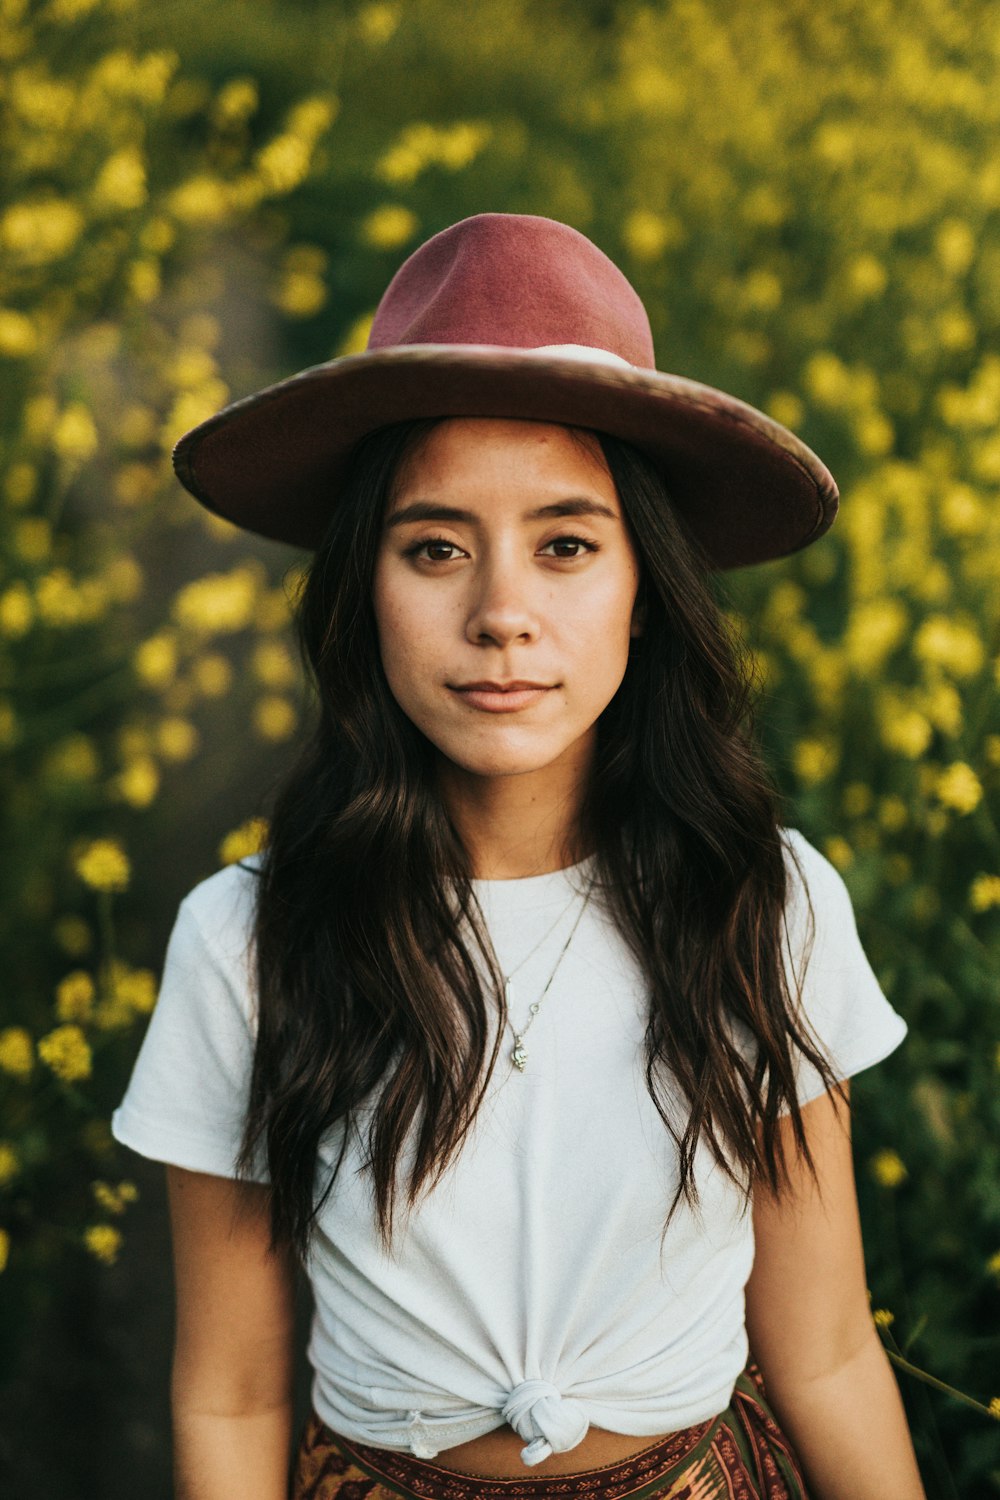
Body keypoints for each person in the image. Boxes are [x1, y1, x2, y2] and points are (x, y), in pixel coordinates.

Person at [111, 213, 926, 1500]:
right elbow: (232, 1390)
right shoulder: (251, 939)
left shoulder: (760, 903)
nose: (501, 615)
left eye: (565, 546)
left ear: (644, 587)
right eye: (434, 549)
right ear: (361, 588)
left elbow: (823, 1353)